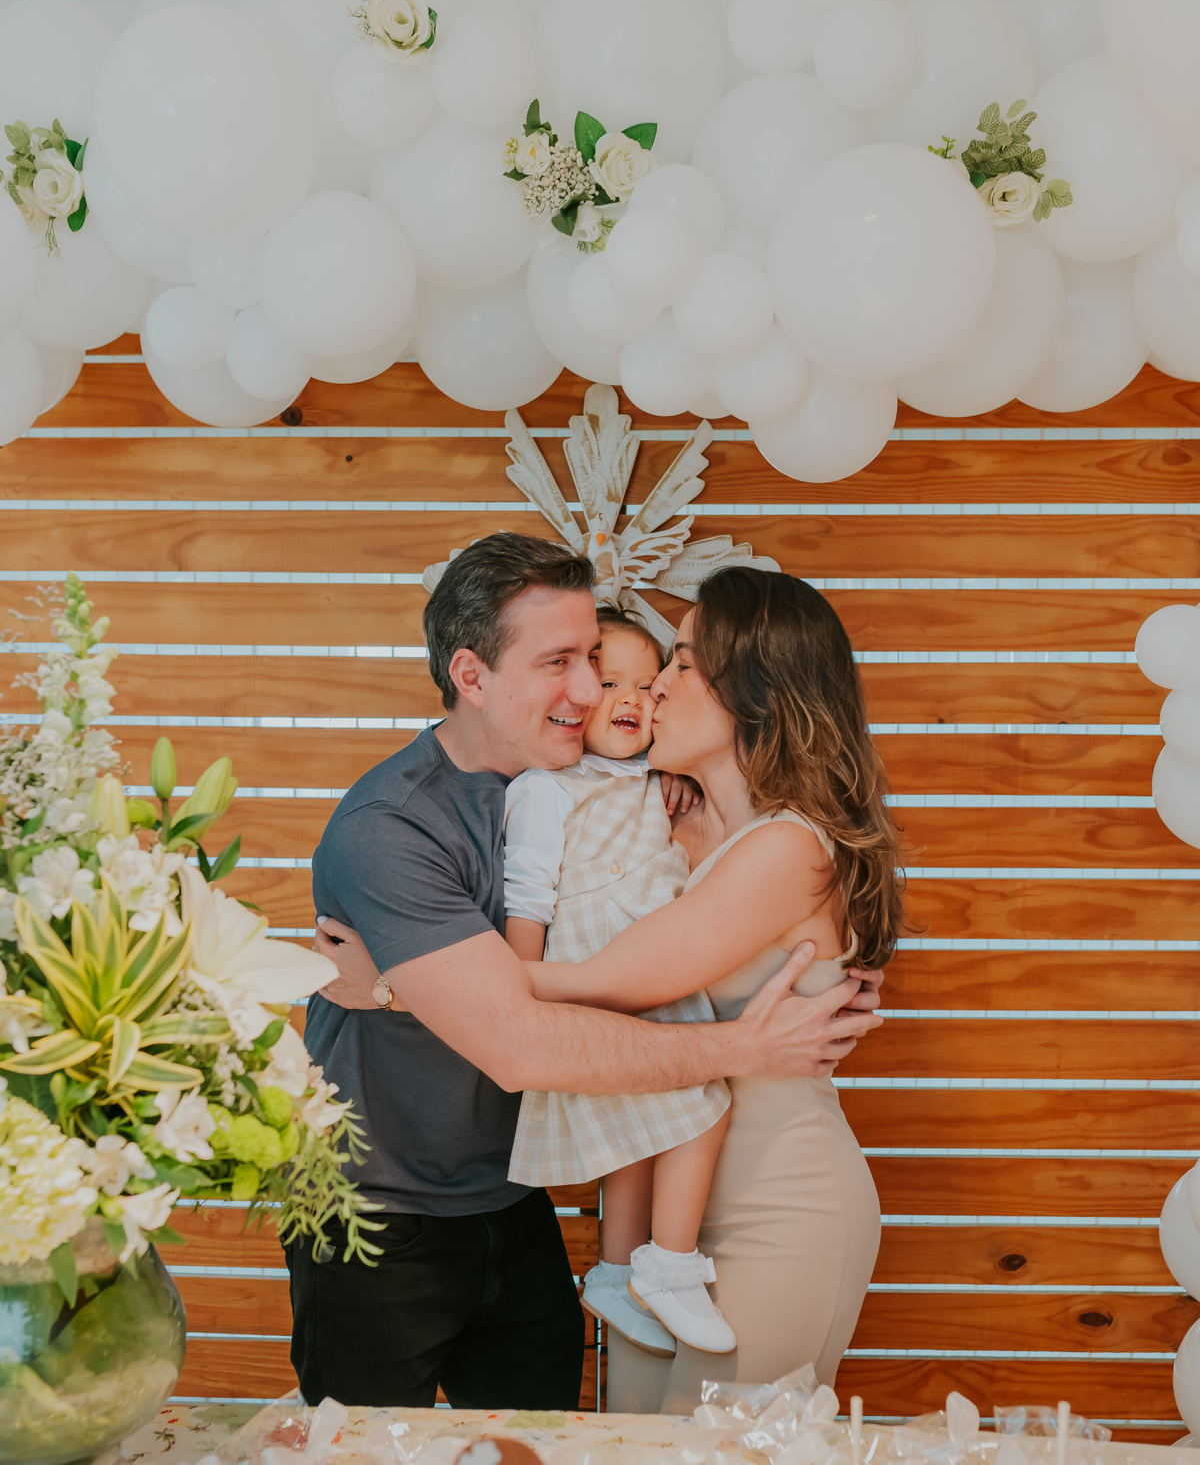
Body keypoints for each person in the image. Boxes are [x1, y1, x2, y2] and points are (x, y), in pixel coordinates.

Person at [302, 535, 885, 1413]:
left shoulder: (663, 808)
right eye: (563, 663)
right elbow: (525, 1040)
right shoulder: (402, 825)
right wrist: (414, 984)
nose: (611, 692)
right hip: (394, 1213)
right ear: (471, 674)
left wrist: (395, 982)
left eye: (664, 666)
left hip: (601, 1207)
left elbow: (643, 969)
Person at [522, 566, 907, 1410]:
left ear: (754, 690)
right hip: (669, 1238)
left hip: (778, 1207)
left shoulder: (791, 849)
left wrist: (417, 978)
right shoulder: (690, 828)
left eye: (685, 663)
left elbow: (606, 984)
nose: (655, 685)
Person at [503, 606, 734, 1357]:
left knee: (640, 1141)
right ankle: (667, 1264)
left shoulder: (660, 784)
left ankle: (614, 1269)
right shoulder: (550, 788)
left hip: (652, 977)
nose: (632, 698)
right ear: (572, 695)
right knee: (699, 1108)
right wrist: (519, 991)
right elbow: (528, 895)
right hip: (593, 984)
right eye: (609, 683)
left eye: (648, 683)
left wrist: (678, 791)